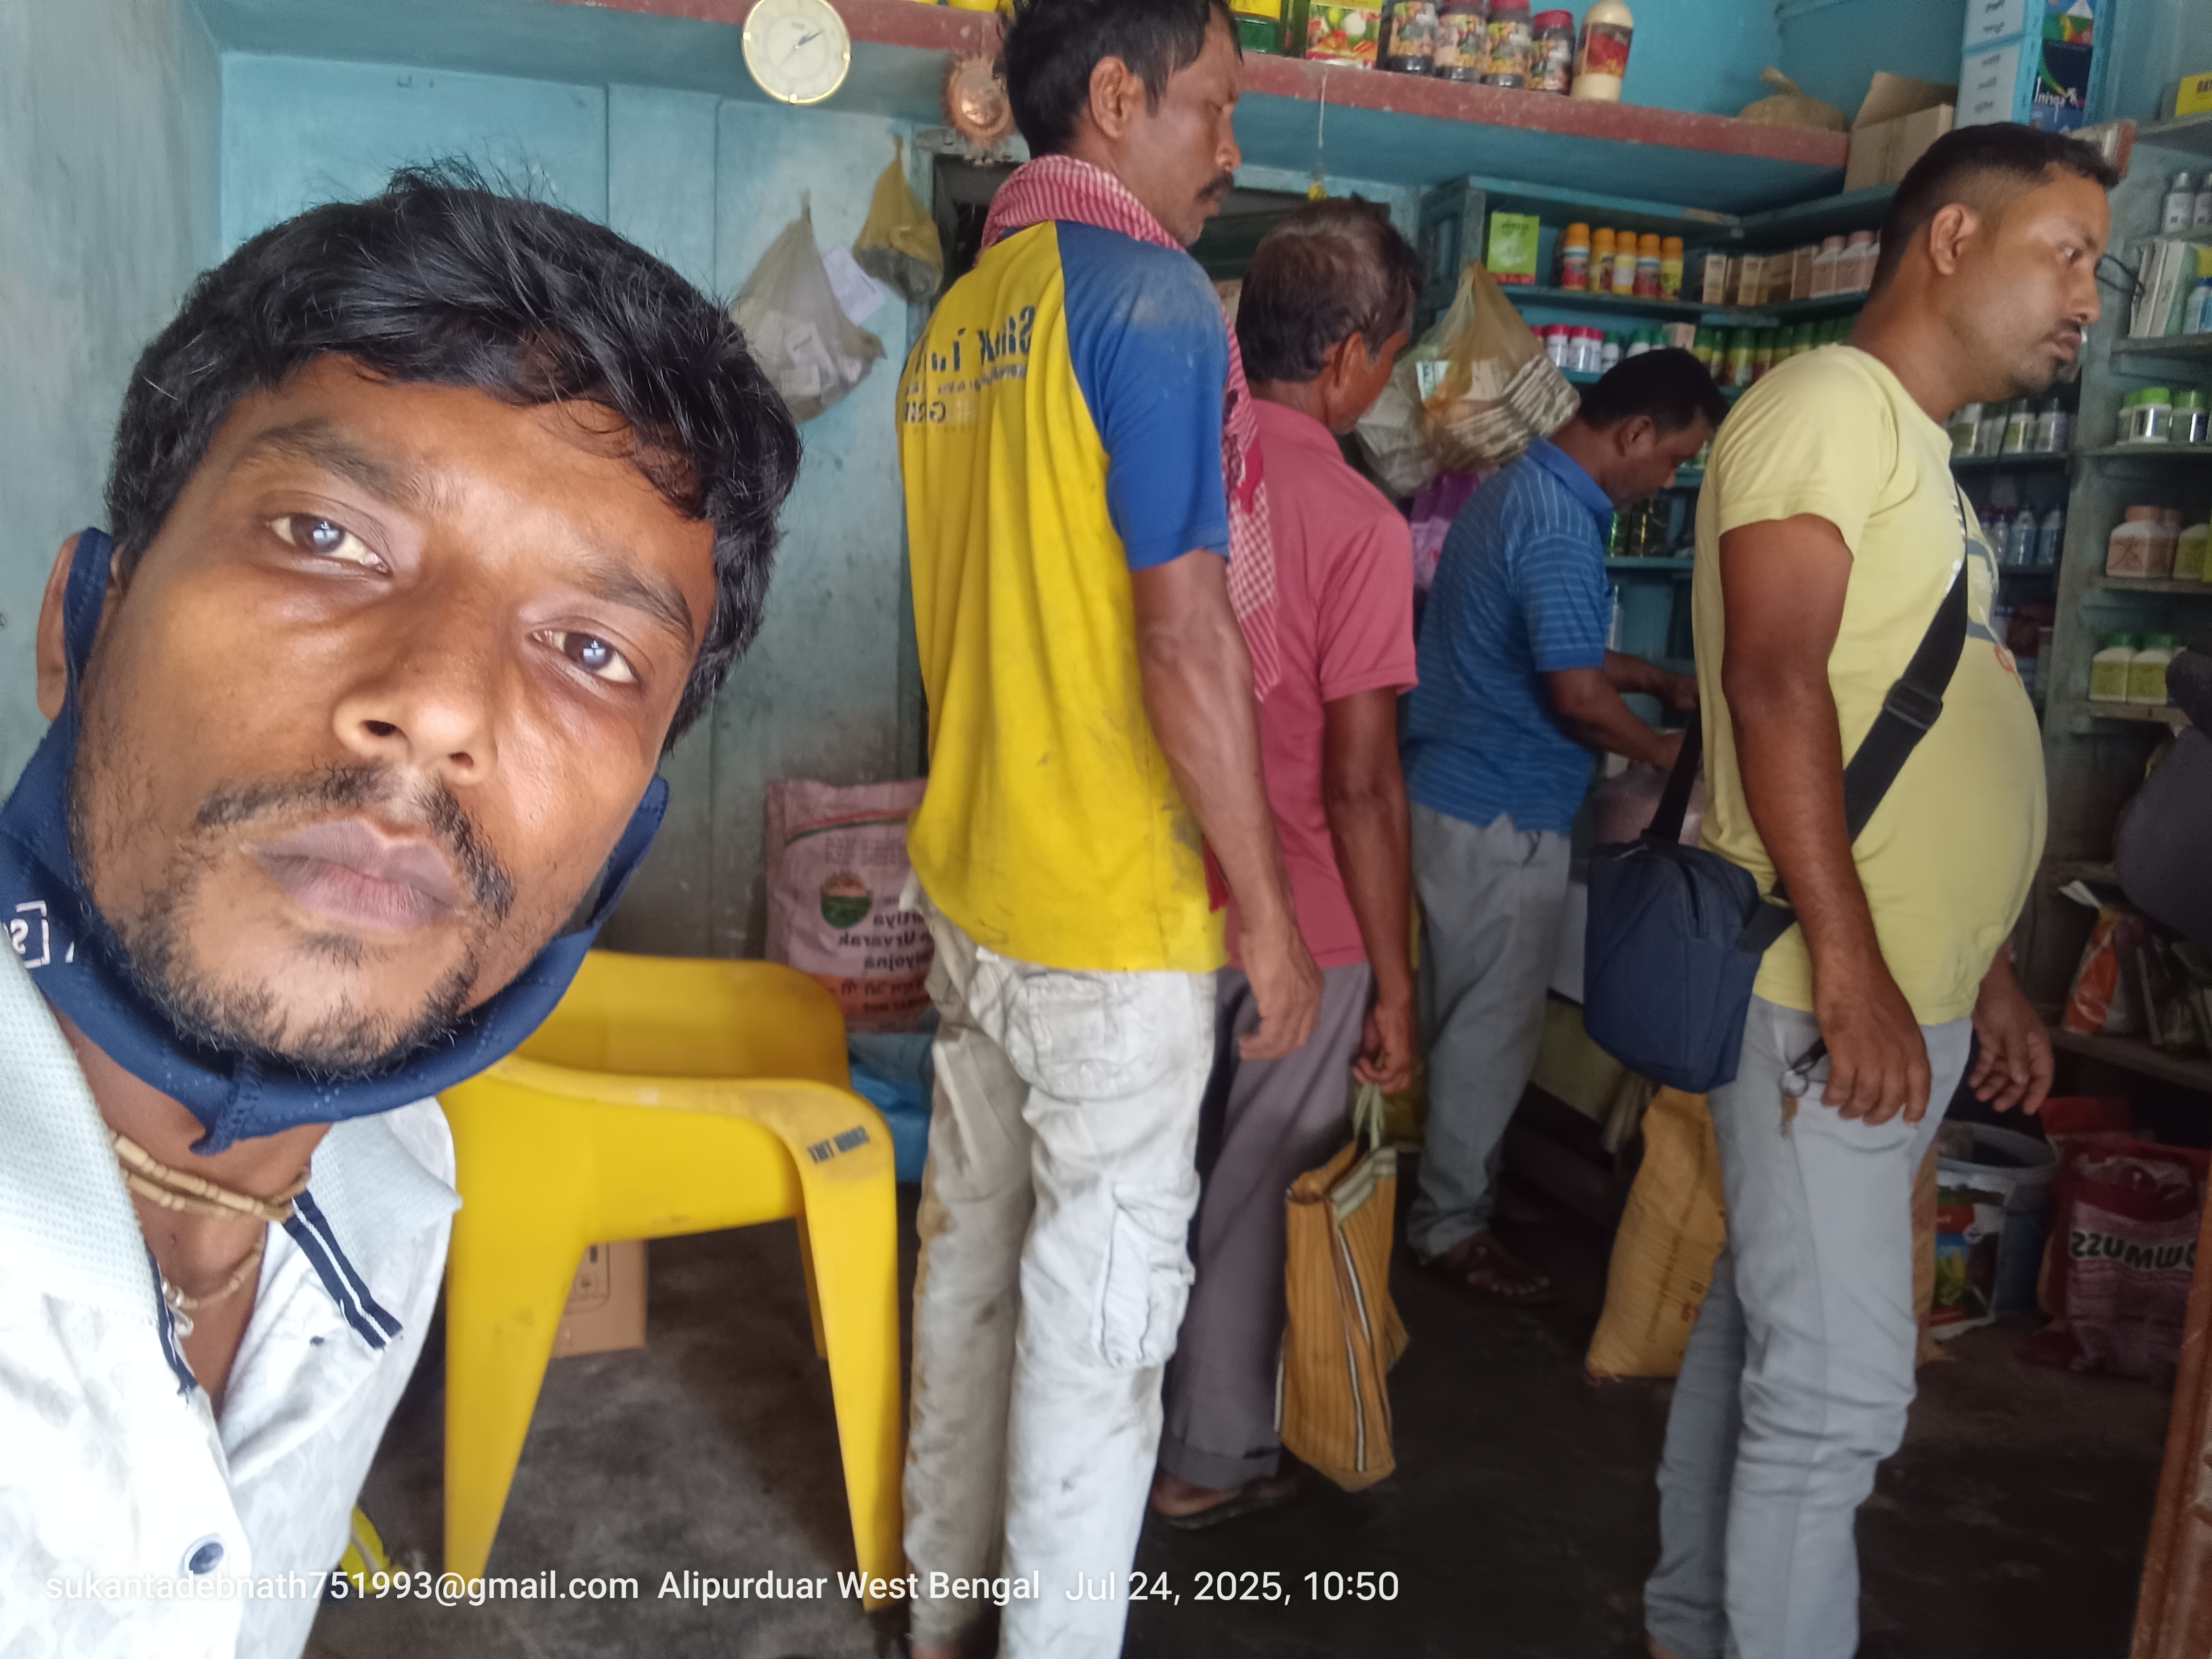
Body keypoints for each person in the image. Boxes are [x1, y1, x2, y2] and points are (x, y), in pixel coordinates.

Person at [0, 166, 798, 1658]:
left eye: (591, 649)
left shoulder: (391, 1183)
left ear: (624, 838)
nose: (437, 705)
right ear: (81, 626)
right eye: (326, 537)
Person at [1643, 123, 2112, 1659]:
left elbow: (1897, 734)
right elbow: (1776, 686)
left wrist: (1984, 971)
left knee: (1766, 1335)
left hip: (1887, 994)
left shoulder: (1920, 456)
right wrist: (1850, 972)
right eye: (2068, 255)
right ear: (1955, 241)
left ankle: (1693, 1621)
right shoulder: (1828, 408)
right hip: (1817, 997)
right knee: (1839, 1396)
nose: (2087, 298)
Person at [895, 2, 1321, 1654]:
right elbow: (1185, 638)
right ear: (1120, 95)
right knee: (1102, 1327)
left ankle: (944, 1611)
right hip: (1110, 921)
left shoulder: (966, 313)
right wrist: (1266, 913)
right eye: (1215, 107)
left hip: (978, 888)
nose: (1232, 150)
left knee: (971, 1265)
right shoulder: (1147, 301)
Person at [1149, 199, 1422, 1529]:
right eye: (1394, 359)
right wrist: (1398, 982)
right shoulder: (1358, 522)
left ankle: (1112, 1430)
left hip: (1151, 906)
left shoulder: (1164, 479)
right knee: (1254, 1191)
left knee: (1141, 1184)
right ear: (1352, 355)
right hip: (1303, 917)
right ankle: (1208, 1454)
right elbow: (1361, 782)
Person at [1399, 351, 1719, 1302]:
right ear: (1635, 432)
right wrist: (1664, 752)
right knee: (1487, 1028)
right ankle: (1452, 1225)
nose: (1665, 481)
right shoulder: (1557, 523)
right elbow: (1575, 694)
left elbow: (1556, 647)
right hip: (1503, 809)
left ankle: (1459, 1188)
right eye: (1672, 460)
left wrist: (1654, 680)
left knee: (1461, 1015)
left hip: (1454, 795)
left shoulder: (1515, 490)